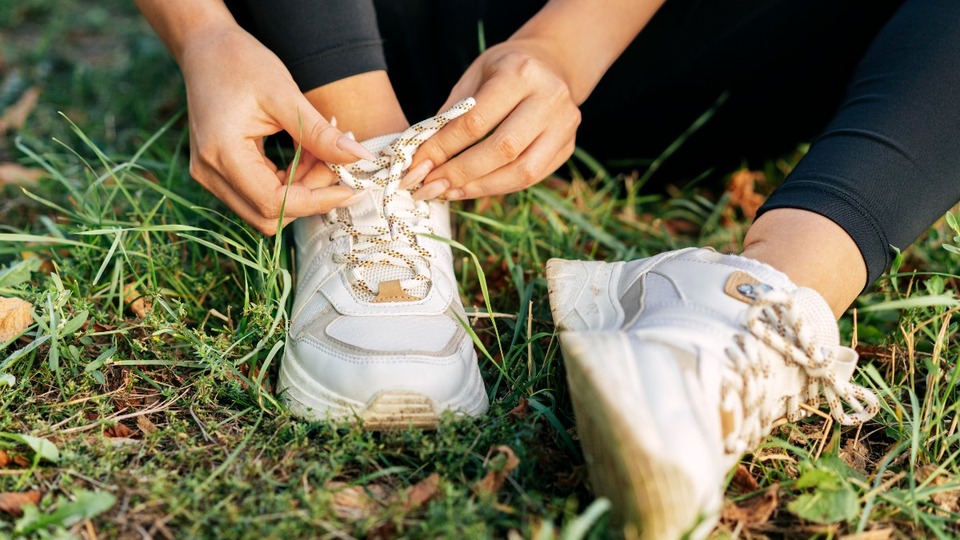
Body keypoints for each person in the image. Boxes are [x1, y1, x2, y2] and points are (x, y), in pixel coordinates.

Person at [135, 0, 960, 537]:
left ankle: (745, 308)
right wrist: (200, 30)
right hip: (344, 34)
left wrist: (563, 48)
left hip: (659, 55)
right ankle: (364, 158)